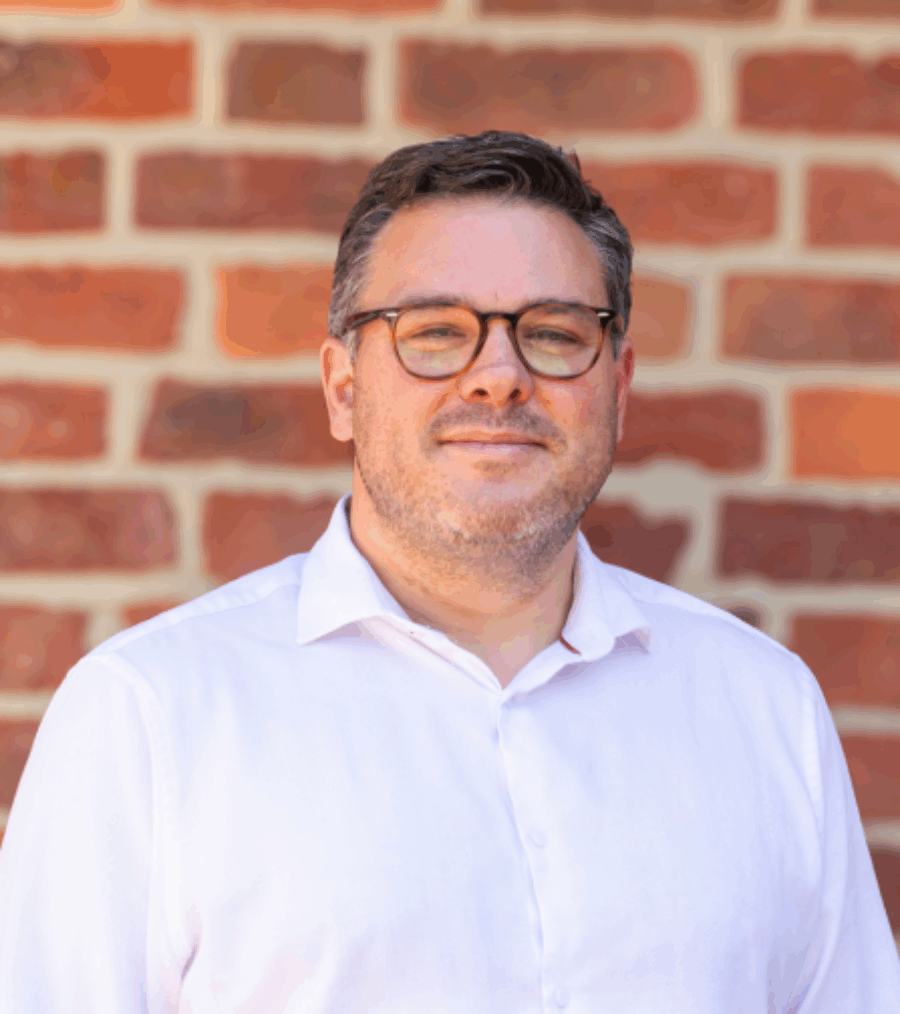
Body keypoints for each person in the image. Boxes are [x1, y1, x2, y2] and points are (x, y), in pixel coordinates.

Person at [0, 130, 897, 1012]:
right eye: (434, 332)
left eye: (554, 333)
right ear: (344, 388)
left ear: (618, 388)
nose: (498, 377)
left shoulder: (764, 708)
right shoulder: (150, 714)